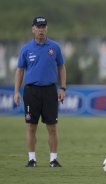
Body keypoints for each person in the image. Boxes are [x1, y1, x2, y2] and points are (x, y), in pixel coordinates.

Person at [13, 16, 66, 167]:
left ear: (46, 29)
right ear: (33, 29)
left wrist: (62, 88)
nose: (41, 30)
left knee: (52, 127)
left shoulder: (54, 47)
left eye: (43, 27)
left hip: (50, 90)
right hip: (31, 91)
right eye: (38, 27)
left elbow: (61, 67)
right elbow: (19, 70)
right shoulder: (26, 49)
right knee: (31, 126)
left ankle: (53, 160)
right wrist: (16, 91)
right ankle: (31, 159)